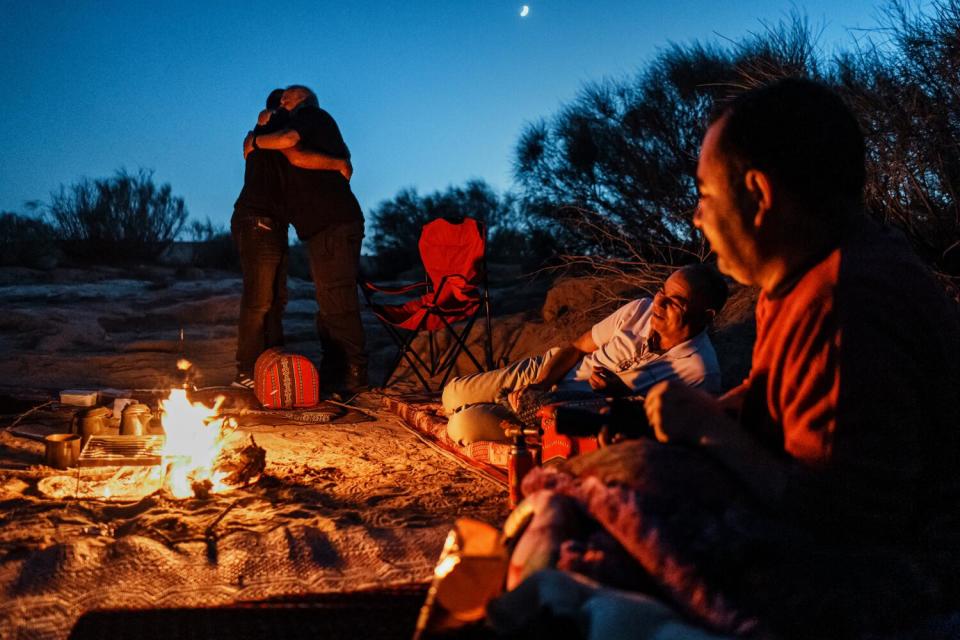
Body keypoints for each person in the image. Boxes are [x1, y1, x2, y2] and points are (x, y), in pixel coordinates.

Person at [494, 78, 960, 638]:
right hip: (846, 534)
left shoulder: (846, 303)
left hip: (900, 575)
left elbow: (844, 515)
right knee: (599, 489)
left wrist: (709, 432)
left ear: (759, 195)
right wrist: (710, 412)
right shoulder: (796, 279)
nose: (696, 216)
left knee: (592, 524)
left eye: (706, 193)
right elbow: (777, 394)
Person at [441, 264, 728, 445]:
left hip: (568, 413)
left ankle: (489, 415)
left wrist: (617, 394)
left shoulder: (700, 371)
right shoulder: (639, 310)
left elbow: (669, 430)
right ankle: (488, 402)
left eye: (674, 302)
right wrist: (539, 383)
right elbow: (577, 348)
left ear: (705, 315)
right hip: (547, 372)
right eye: (661, 292)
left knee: (462, 423)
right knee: (451, 394)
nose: (659, 303)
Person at [249, 85, 368, 394]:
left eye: (287, 96)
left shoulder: (313, 115)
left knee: (337, 300)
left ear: (302, 100)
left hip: (334, 223)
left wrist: (259, 140)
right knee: (328, 302)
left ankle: (355, 376)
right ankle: (335, 371)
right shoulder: (307, 124)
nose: (282, 101)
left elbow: (292, 148)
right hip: (323, 227)